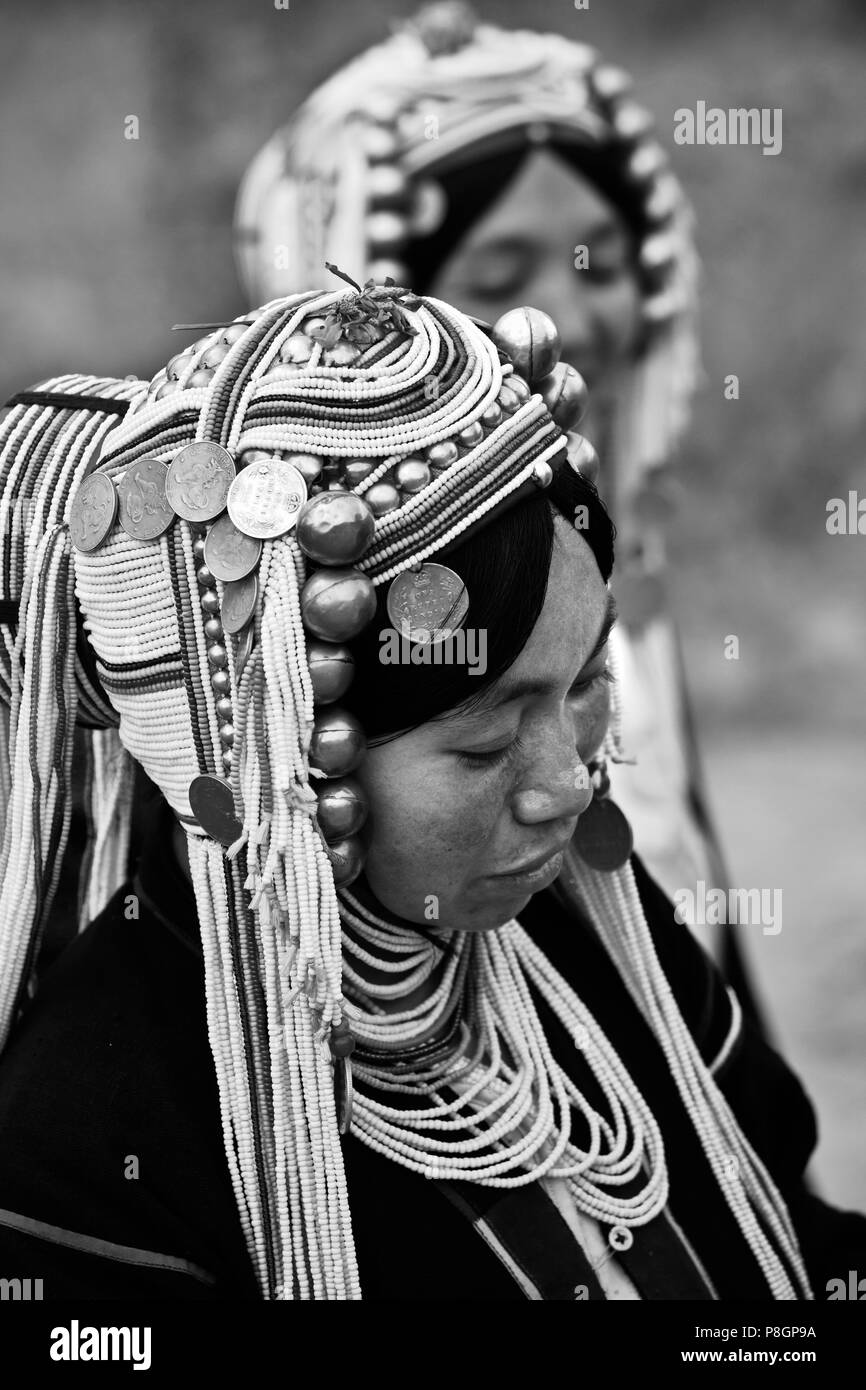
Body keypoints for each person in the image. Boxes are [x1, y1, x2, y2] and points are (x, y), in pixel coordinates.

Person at [0, 281, 860, 1300]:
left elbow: (798, 1251)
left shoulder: (584, 944)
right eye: (484, 745)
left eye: (584, 684)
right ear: (278, 763)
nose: (566, 785)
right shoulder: (90, 1144)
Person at [233, 3, 723, 921]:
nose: (564, 320)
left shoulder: (597, 551)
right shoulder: (290, 619)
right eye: (498, 280)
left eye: (603, 261)